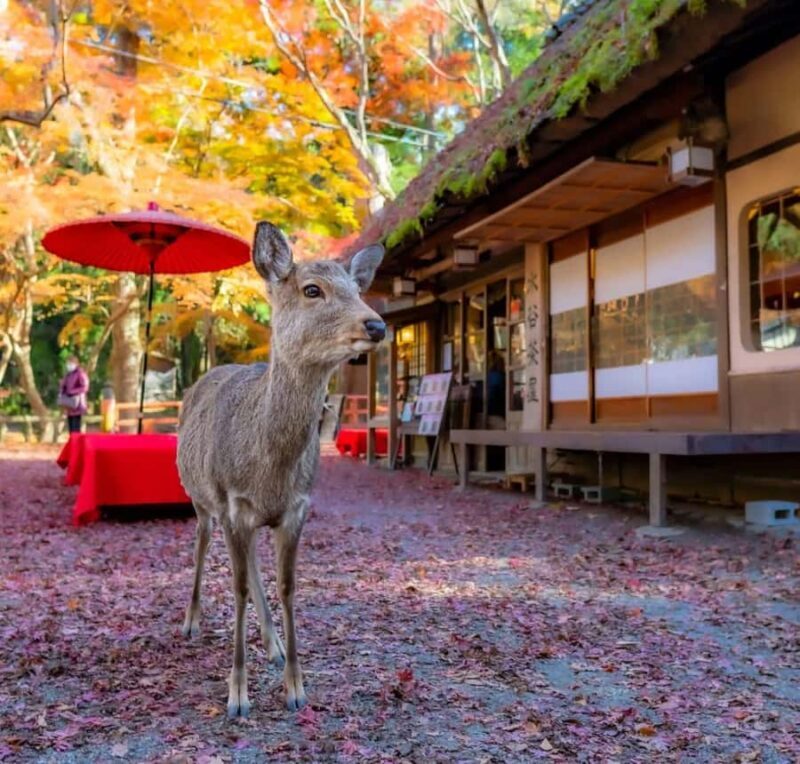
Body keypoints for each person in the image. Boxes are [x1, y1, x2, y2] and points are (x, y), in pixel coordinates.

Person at [58, 356, 89, 434]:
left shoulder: (80, 373)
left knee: (76, 426)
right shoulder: (68, 374)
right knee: (71, 426)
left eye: (71, 363)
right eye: (68, 363)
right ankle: (72, 442)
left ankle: (76, 443)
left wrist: (72, 392)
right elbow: (65, 386)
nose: (69, 365)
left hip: (77, 403)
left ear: (76, 364)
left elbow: (85, 387)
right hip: (69, 404)